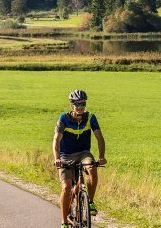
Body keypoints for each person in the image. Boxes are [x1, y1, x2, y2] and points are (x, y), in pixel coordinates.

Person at [53, 89, 106, 228]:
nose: (80, 106)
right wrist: (57, 158)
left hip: (83, 153)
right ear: (72, 105)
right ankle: (64, 222)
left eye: (82, 103)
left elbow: (100, 138)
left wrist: (101, 157)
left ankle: (90, 202)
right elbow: (56, 141)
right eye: (77, 104)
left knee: (92, 169)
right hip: (65, 155)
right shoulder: (64, 118)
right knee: (66, 187)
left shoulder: (90, 117)